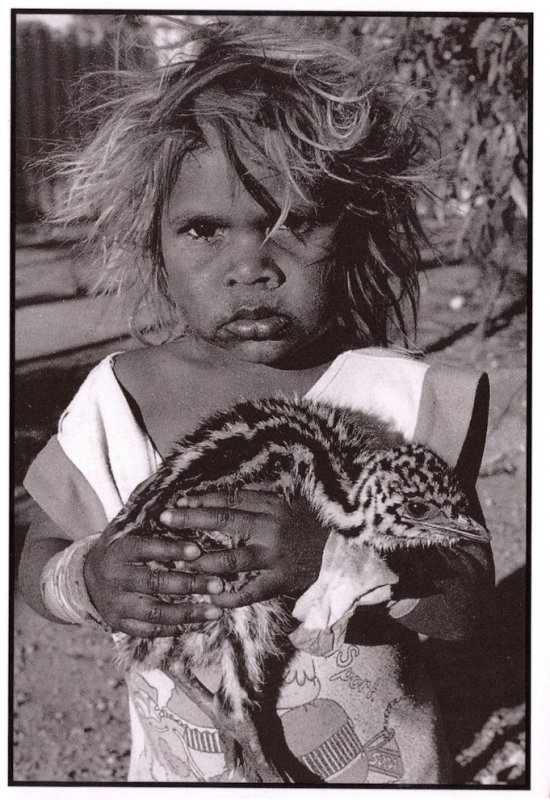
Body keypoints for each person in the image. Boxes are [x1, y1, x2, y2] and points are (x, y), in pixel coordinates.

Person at [19, 20, 493, 784]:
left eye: (293, 222)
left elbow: (466, 604)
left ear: (355, 227)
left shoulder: (404, 401)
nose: (252, 267)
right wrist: (87, 581)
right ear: (155, 243)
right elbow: (34, 562)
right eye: (204, 230)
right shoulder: (119, 401)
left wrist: (331, 559)